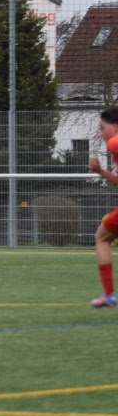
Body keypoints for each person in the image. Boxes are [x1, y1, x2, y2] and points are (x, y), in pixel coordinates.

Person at [89, 106, 118, 308]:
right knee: (102, 236)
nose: (100, 133)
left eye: (102, 128)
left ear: (115, 127)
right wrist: (100, 171)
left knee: (101, 238)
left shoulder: (114, 142)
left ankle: (109, 296)